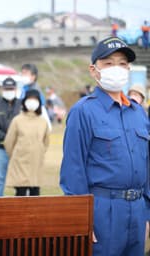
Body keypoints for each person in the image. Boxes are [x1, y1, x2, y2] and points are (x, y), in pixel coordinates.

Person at [59, 37, 150, 256]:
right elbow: (73, 169)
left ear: (128, 69)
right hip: (103, 211)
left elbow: (147, 165)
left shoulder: (138, 113)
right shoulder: (83, 111)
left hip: (137, 210)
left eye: (121, 63)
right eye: (108, 63)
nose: (116, 69)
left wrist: (146, 213)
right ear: (94, 70)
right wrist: (83, 218)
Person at [4, 89, 50, 196]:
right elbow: (9, 142)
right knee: (20, 193)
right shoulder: (17, 120)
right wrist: (15, 154)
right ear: (24, 101)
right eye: (29, 99)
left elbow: (46, 141)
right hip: (20, 163)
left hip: (36, 163)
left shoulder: (43, 121)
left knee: (35, 193)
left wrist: (39, 152)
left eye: (34, 99)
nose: (32, 102)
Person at [0, 77, 22, 196]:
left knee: (21, 179)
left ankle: (21, 203)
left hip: (18, 149)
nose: (9, 90)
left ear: (16, 89)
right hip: (0, 148)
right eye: (6, 88)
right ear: (2, 89)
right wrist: (6, 138)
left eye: (11, 88)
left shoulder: (22, 105)